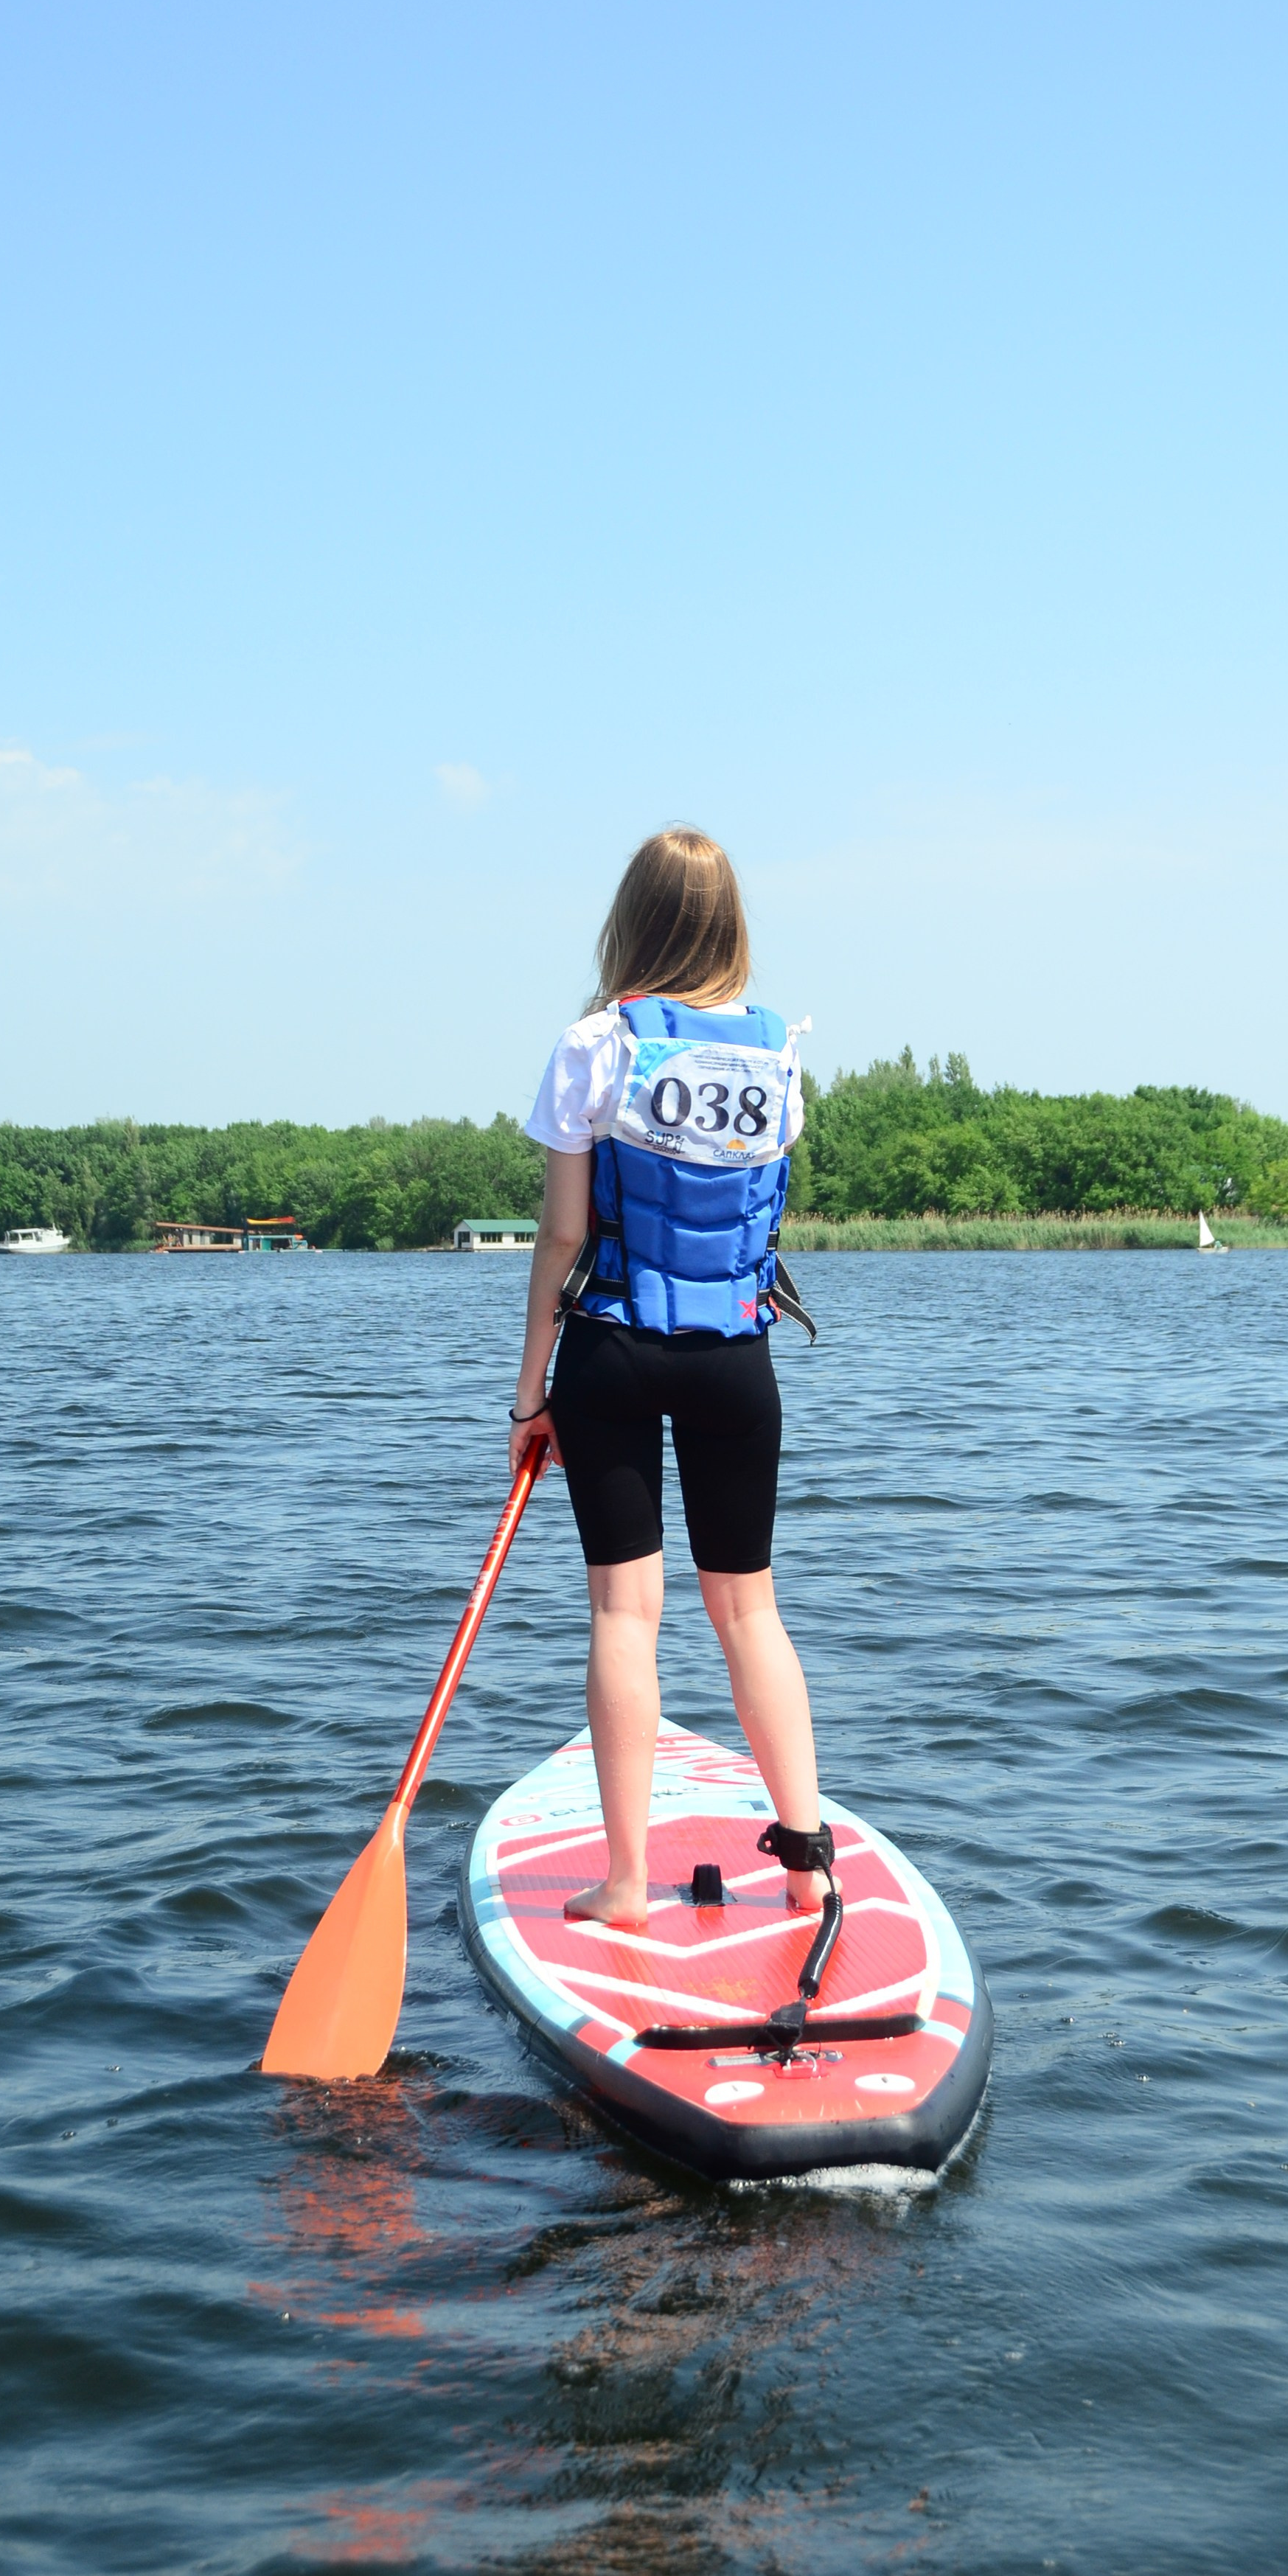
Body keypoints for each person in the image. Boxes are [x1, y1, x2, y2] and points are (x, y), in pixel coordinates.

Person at [507, 826, 829, 1933]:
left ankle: (629, 1883)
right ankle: (807, 1866)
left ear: (632, 920)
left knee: (625, 1614)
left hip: (612, 1349)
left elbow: (558, 1239)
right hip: (737, 1361)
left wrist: (528, 1396)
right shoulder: (782, 1056)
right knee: (750, 1610)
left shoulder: (593, 1045)